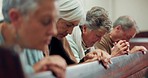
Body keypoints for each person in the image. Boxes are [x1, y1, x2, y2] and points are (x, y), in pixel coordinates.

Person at [0, 0, 66, 78]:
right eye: (46, 21)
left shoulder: (31, 42)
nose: (54, 31)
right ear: (16, 18)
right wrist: (33, 70)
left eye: (54, 21)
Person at [49, 0, 85, 64]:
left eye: (74, 27)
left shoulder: (59, 39)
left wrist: (86, 60)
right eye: (68, 25)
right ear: (55, 16)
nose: (70, 32)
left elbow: (70, 66)